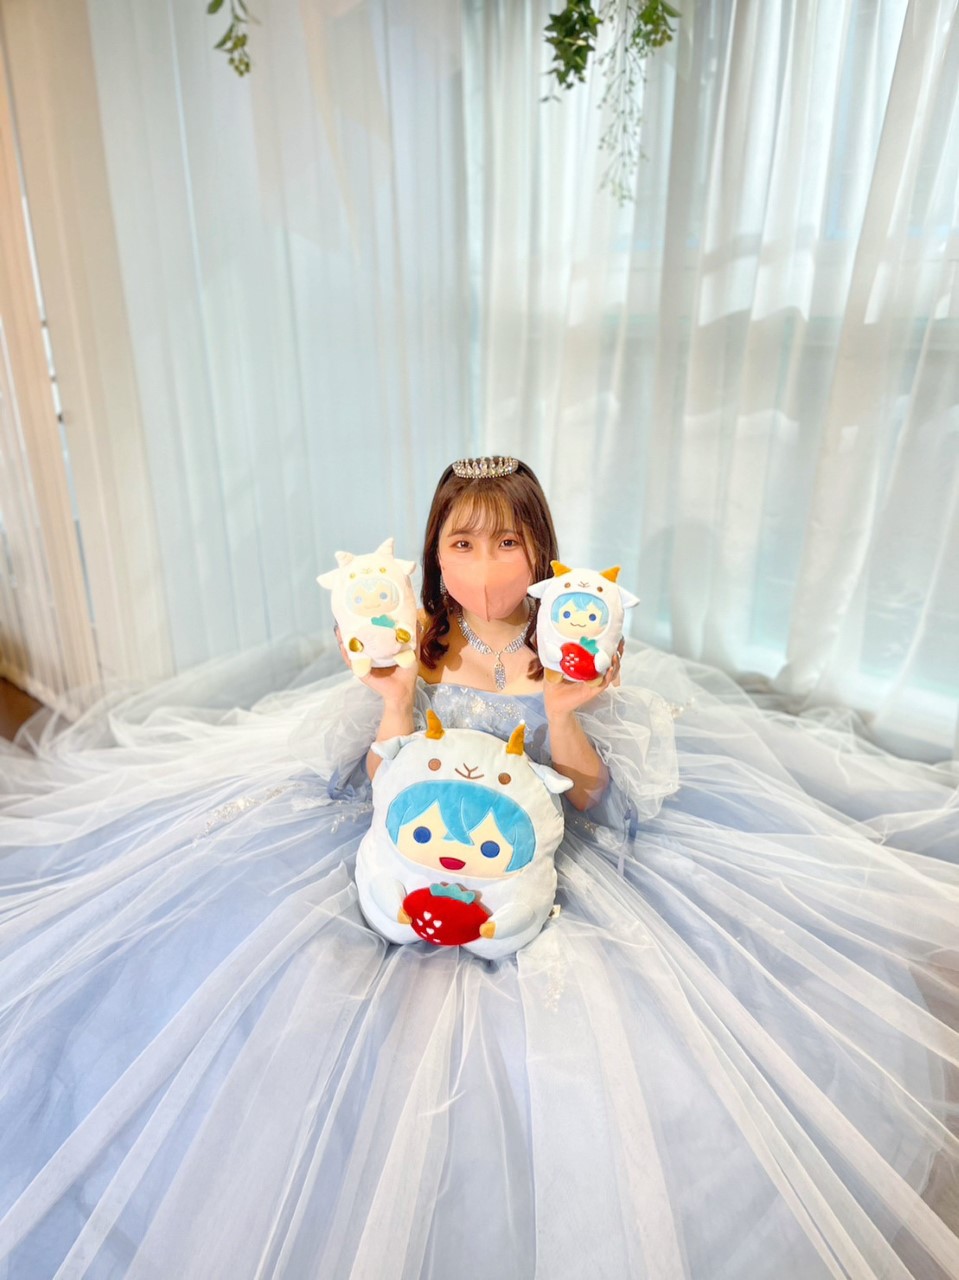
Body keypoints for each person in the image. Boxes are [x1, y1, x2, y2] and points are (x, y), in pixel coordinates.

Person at [0, 456, 957, 1279]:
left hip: (543, 850)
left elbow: (596, 801)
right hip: (410, 834)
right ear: (435, 554)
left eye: (507, 544)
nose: (486, 567)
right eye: (462, 543)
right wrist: (390, 703)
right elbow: (376, 782)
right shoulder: (419, 641)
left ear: (540, 554)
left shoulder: (566, 648)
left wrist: (566, 713)